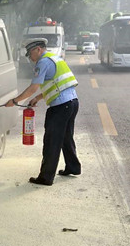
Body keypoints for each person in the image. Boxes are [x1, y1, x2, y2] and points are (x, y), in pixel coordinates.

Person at [5, 39, 81, 186]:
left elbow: (33, 87)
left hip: (60, 106)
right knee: (66, 137)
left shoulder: (42, 62)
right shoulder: (54, 58)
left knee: (51, 141)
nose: (29, 57)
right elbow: (57, 84)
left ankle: (46, 177)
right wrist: (38, 98)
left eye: (30, 53)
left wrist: (15, 101)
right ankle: (73, 167)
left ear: (38, 49)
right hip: (72, 103)